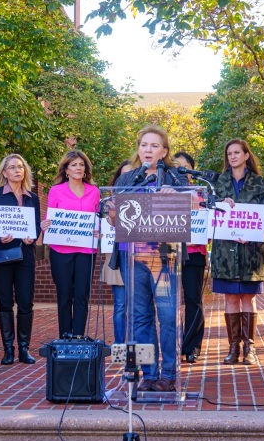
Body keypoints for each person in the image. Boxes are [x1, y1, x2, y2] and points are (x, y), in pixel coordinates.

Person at [110, 125, 188, 392]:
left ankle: (169, 373)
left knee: (167, 317)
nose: (148, 150)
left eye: (154, 146)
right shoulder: (127, 179)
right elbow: (113, 216)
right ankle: (149, 374)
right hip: (132, 257)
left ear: (164, 151)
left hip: (165, 259)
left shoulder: (175, 178)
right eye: (144, 145)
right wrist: (111, 210)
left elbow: (193, 206)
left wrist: (177, 198)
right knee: (141, 317)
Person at [211, 139, 264, 366]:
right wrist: (219, 204)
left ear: (246, 155)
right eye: (229, 153)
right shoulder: (217, 183)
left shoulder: (260, 183)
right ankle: (233, 348)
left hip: (250, 251)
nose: (233, 156)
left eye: (237, 152)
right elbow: (209, 213)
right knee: (231, 298)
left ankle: (249, 348)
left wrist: (255, 233)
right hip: (225, 252)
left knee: (248, 297)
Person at [0, 154, 41, 365]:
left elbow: (35, 226)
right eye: (12, 167)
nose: (17, 170)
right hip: (1, 253)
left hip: (25, 255)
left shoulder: (32, 198)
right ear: (4, 173)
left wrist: (32, 236)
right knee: (5, 301)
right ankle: (8, 349)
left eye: (20, 166)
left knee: (26, 301)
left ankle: (24, 349)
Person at [40, 150, 101, 338]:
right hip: (61, 250)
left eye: (81, 165)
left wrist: (99, 230)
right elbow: (50, 218)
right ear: (66, 169)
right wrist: (44, 225)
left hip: (86, 250)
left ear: (86, 169)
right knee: (65, 294)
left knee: (82, 295)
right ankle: (65, 336)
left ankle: (79, 336)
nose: (78, 168)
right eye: (73, 164)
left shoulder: (94, 191)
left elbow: (98, 218)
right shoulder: (56, 190)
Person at [174, 151, 207, 364]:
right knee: (168, 302)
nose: (179, 172)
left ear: (191, 171)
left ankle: (191, 346)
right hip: (169, 253)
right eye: (175, 168)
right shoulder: (164, 192)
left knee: (193, 300)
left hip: (194, 253)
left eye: (183, 168)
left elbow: (208, 226)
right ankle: (171, 345)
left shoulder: (201, 194)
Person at [101, 161, 131, 345]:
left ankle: (137, 346)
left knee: (140, 309)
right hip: (118, 257)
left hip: (141, 259)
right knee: (120, 306)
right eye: (124, 175)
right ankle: (120, 345)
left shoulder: (147, 197)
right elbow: (105, 225)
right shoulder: (109, 201)